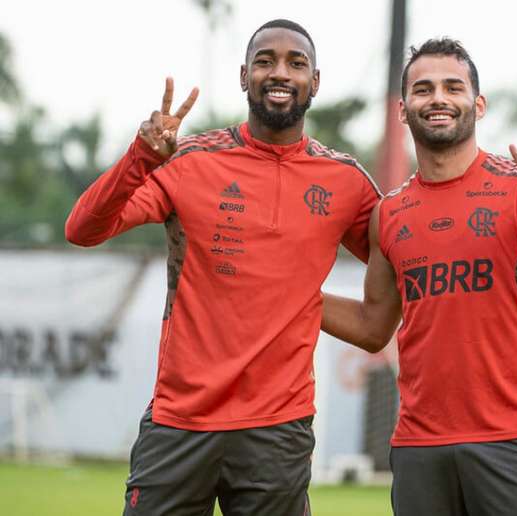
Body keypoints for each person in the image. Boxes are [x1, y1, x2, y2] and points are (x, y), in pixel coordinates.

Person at [65, 19, 380, 516]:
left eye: (296, 63)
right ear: (243, 75)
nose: (280, 72)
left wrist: (297, 301)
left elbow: (405, 261)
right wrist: (141, 157)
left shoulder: (346, 182)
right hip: (180, 421)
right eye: (264, 61)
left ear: (314, 82)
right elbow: (83, 229)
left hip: (278, 430)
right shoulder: (187, 159)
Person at [321, 38, 517, 516]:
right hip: (419, 446)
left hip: (510, 440)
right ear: (404, 110)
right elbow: (371, 327)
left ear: (478, 104)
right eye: (423, 90)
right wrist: (291, 294)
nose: (438, 98)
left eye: (452, 87)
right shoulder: (390, 214)